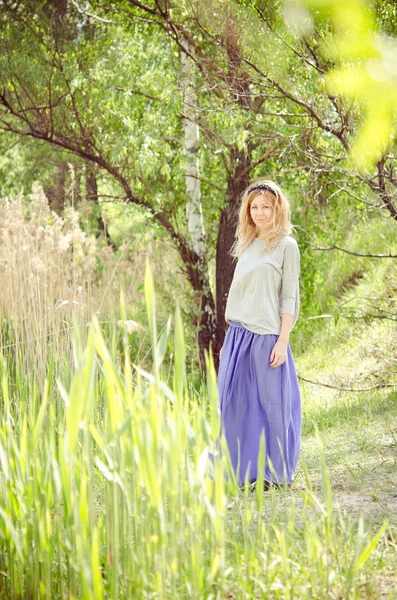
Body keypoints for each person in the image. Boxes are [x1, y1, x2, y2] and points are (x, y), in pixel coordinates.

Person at [216, 179, 302, 490]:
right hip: (238, 334)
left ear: (278, 208)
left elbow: (289, 296)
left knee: (272, 404)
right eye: (255, 207)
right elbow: (240, 294)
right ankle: (238, 471)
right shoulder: (247, 244)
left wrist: (283, 339)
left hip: (268, 335)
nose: (260, 212)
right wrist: (229, 339)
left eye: (266, 207)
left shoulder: (286, 246)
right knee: (234, 403)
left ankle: (276, 474)